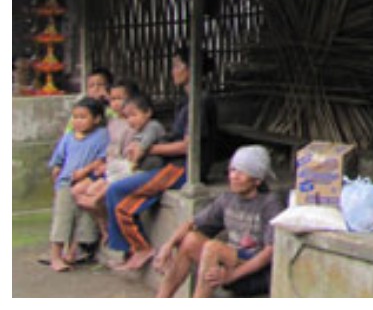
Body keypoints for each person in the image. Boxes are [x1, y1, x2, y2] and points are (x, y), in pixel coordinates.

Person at [104, 46, 214, 271]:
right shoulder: (186, 100)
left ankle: (141, 248)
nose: (172, 71)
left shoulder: (200, 102)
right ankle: (130, 250)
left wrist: (151, 150)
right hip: (172, 164)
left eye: (177, 65)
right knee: (115, 189)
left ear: (192, 69)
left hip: (185, 168)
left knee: (119, 194)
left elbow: (187, 146)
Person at [154, 145, 285, 298]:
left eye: (242, 173)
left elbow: (269, 253)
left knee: (213, 247)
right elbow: (192, 224)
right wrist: (168, 246)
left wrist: (232, 275)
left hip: (257, 273)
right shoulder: (227, 199)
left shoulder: (270, 203)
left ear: (257, 180)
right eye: (233, 170)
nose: (233, 176)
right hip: (231, 262)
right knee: (190, 239)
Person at [71, 80, 140, 240]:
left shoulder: (134, 124)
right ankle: (103, 226)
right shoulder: (112, 121)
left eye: (119, 99)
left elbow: (128, 157)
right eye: (112, 99)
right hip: (107, 168)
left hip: (119, 171)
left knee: (92, 197)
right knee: (76, 191)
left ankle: (110, 230)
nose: (115, 103)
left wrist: (109, 167)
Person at [47, 97, 109, 271]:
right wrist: (56, 170)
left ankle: (74, 252)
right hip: (66, 182)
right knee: (63, 218)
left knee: (84, 217)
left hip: (89, 181)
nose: (78, 121)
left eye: (83, 117)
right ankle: (55, 256)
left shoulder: (103, 135)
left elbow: (103, 158)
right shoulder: (68, 137)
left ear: (96, 119)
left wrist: (85, 171)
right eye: (75, 117)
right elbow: (58, 159)